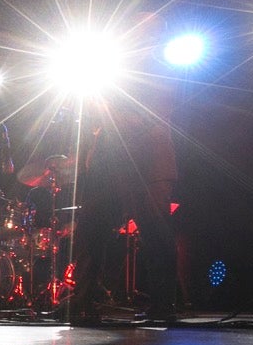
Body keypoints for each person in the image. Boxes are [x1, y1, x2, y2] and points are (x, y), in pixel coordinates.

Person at [66, 86, 179, 323]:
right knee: (90, 229)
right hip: (112, 168)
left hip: (147, 165)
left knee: (155, 234)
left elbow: (150, 116)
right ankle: (83, 299)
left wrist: (106, 108)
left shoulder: (150, 76)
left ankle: (163, 304)